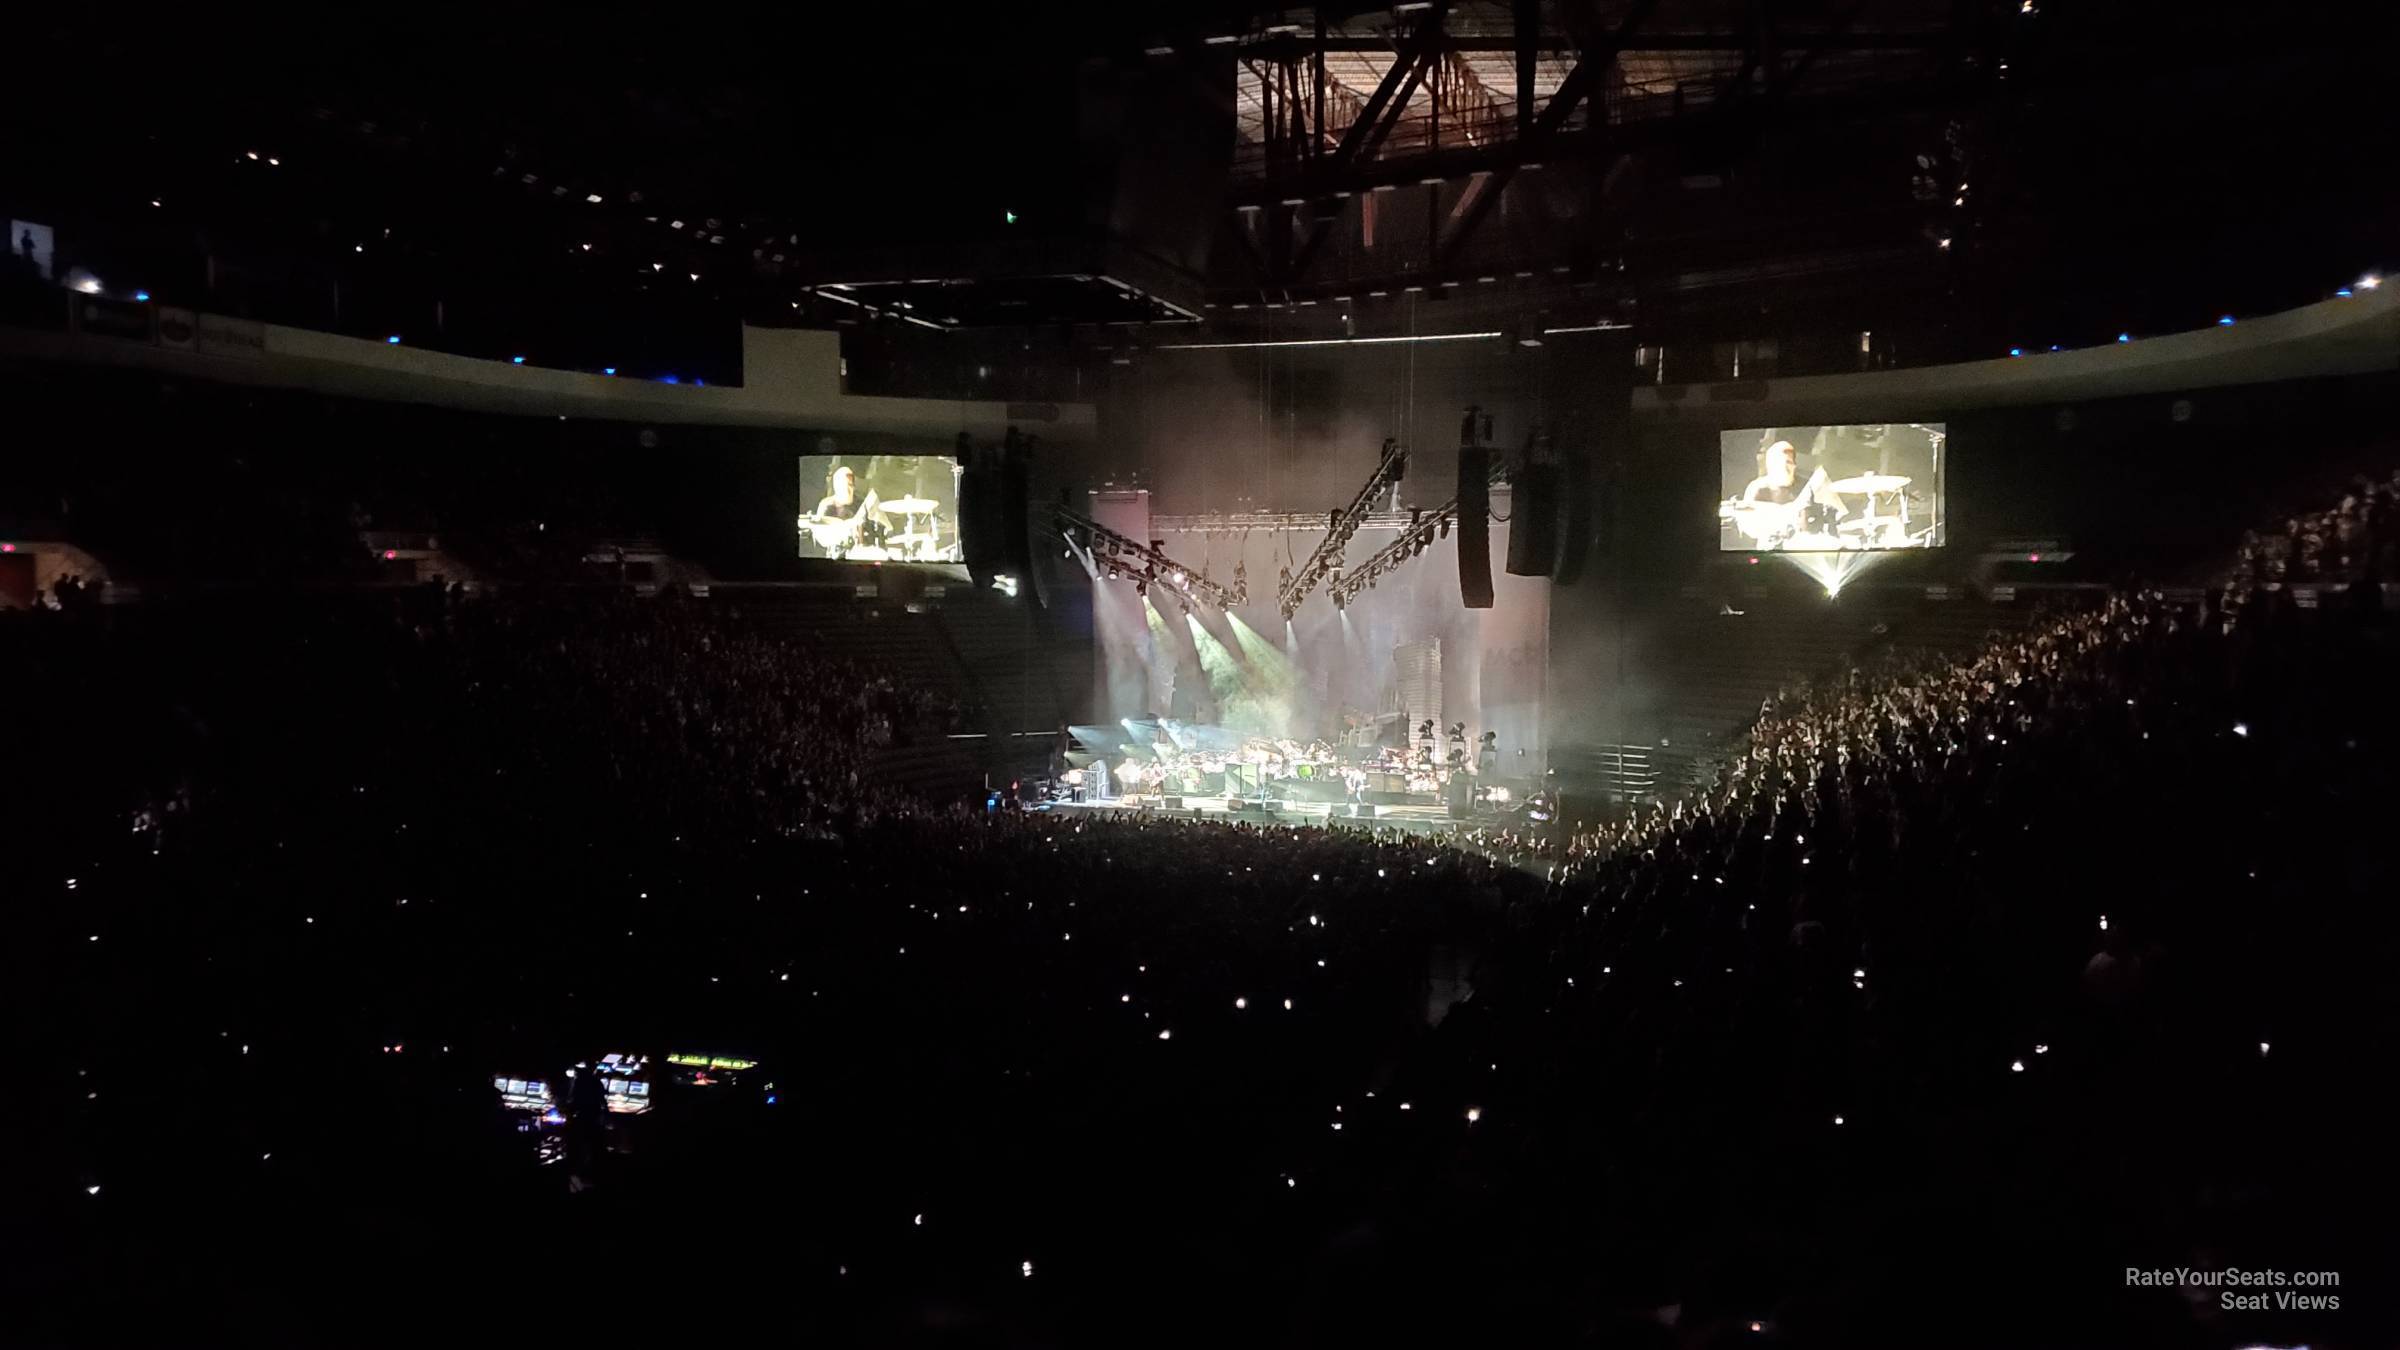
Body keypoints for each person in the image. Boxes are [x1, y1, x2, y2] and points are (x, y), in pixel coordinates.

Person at [1738, 439, 1849, 542]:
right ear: (1769, 465)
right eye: (1779, 462)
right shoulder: (1757, 488)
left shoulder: (1809, 485)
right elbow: (1749, 527)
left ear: (1795, 465)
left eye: (1788, 462)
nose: (1784, 467)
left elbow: (1838, 514)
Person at [808, 464, 887, 554]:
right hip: (837, 553)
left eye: (850, 485)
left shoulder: (862, 503)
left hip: (860, 551)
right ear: (836, 487)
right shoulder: (827, 505)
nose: (848, 489)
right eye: (843, 485)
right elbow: (822, 539)